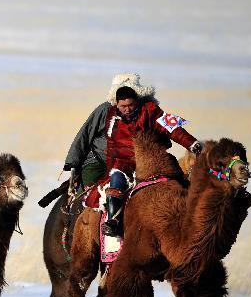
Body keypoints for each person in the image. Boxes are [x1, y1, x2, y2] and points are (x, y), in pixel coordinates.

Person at [65, 73, 201, 236]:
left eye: (130, 105)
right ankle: (113, 221)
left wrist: (191, 143)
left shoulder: (150, 110)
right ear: (117, 103)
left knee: (178, 181)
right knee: (115, 182)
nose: (128, 109)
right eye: (123, 106)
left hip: (152, 160)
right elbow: (86, 135)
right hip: (121, 163)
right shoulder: (109, 115)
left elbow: (172, 128)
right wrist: (73, 163)